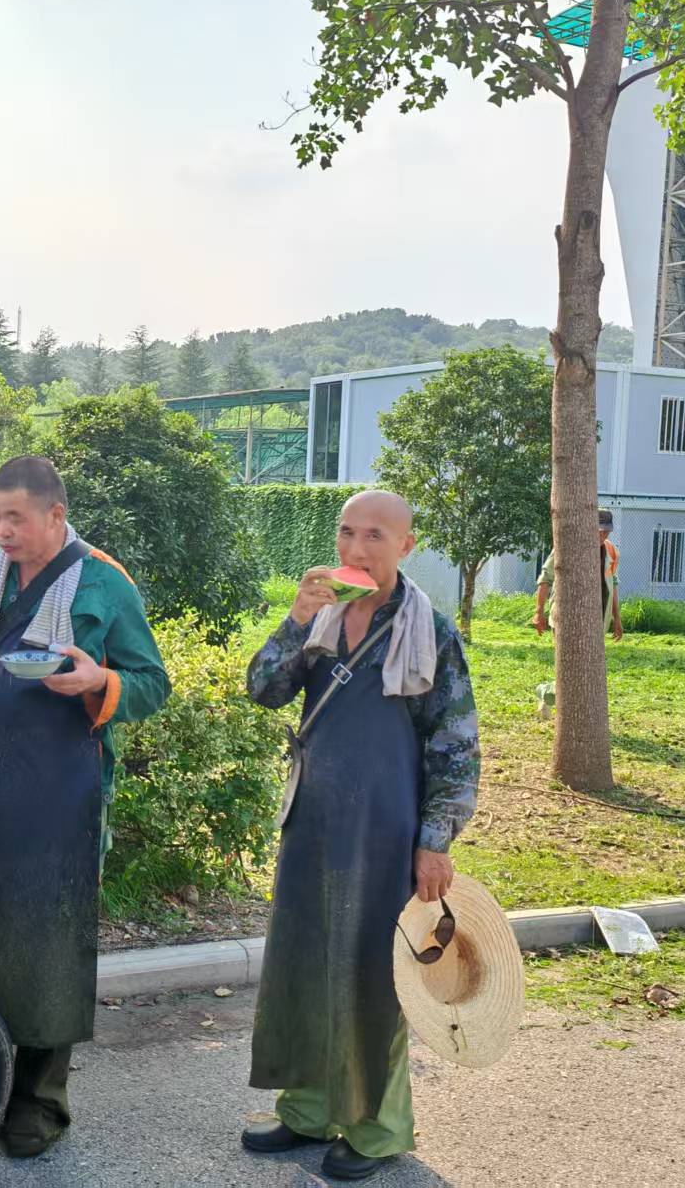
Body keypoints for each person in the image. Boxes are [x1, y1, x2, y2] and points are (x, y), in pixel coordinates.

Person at [0, 456, 169, 1158]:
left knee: (48, 945)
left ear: (56, 516)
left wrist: (100, 682)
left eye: (15, 518)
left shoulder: (104, 582)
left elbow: (152, 683)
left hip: (64, 793)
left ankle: (38, 1101)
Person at [240, 490, 480, 1182]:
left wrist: (435, 841)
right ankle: (308, 1109)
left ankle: (377, 1130)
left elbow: (456, 746)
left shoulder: (430, 631)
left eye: (375, 535)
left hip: (385, 828)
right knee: (304, 961)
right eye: (347, 532)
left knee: (374, 975)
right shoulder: (320, 617)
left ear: (406, 546)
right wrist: (295, 619)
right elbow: (263, 689)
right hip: (312, 820)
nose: (355, 548)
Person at [534, 507, 623, 642]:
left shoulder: (611, 550)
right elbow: (545, 579)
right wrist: (539, 612)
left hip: (596, 618)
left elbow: (612, 585)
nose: (603, 536)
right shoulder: (566, 546)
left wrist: (616, 618)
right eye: (599, 531)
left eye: (606, 532)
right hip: (566, 615)